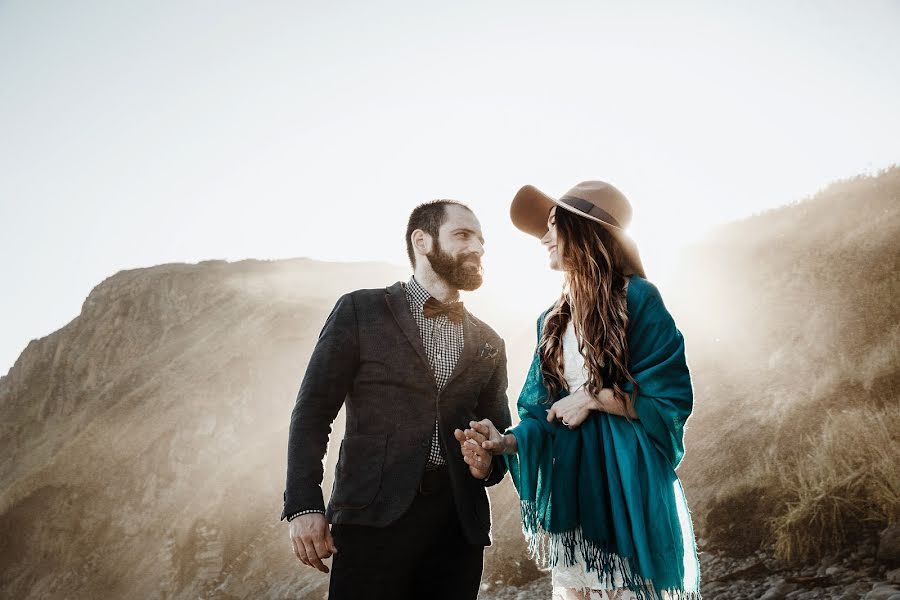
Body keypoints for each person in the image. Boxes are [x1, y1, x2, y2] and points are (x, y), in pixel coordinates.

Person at [457, 181, 701, 600]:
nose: (545, 238)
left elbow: (670, 397)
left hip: (630, 488)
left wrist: (594, 397)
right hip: (575, 491)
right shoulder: (550, 321)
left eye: (553, 226)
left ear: (585, 230)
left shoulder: (638, 299)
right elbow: (542, 415)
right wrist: (506, 441)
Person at [281, 200, 512, 600]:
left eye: (481, 239)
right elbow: (313, 412)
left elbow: (499, 435)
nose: (477, 247)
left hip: (458, 530)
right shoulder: (360, 309)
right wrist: (304, 505)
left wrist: (487, 464)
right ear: (421, 241)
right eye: (462, 235)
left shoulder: (491, 341)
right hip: (371, 520)